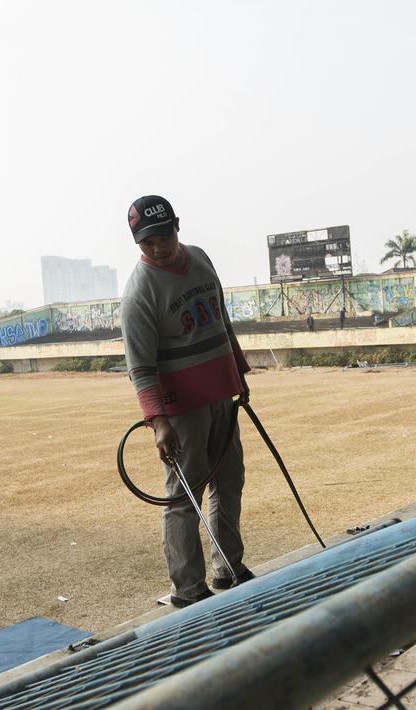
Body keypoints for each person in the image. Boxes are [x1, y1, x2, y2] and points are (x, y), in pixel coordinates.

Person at [119, 195, 255, 609]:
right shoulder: (139, 292)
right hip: (183, 411)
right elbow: (140, 368)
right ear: (137, 244)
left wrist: (239, 372)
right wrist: (157, 421)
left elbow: (220, 318)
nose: (158, 247)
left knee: (229, 481)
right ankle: (188, 587)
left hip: (222, 395)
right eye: (147, 243)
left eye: (164, 236)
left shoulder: (200, 259)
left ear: (178, 225)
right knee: (185, 498)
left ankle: (229, 568)